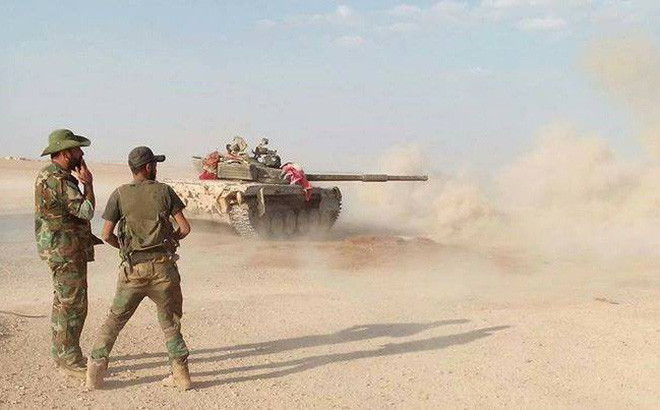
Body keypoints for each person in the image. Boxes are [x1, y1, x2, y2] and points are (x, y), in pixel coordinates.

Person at [86, 146, 193, 391]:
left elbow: (106, 234)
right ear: (148, 167)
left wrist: (126, 249)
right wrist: (171, 241)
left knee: (114, 320)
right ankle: (181, 376)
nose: (156, 168)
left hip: (133, 270)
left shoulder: (119, 194)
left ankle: (95, 373)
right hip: (163, 270)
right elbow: (185, 228)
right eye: (154, 164)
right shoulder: (164, 191)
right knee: (170, 322)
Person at [34, 128, 100, 378]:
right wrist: (88, 184)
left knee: (62, 302)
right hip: (66, 250)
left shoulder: (49, 174)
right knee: (73, 305)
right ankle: (69, 358)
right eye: (77, 150)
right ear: (64, 153)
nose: (81, 154)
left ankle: (60, 352)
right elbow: (86, 211)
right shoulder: (59, 179)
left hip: (59, 248)